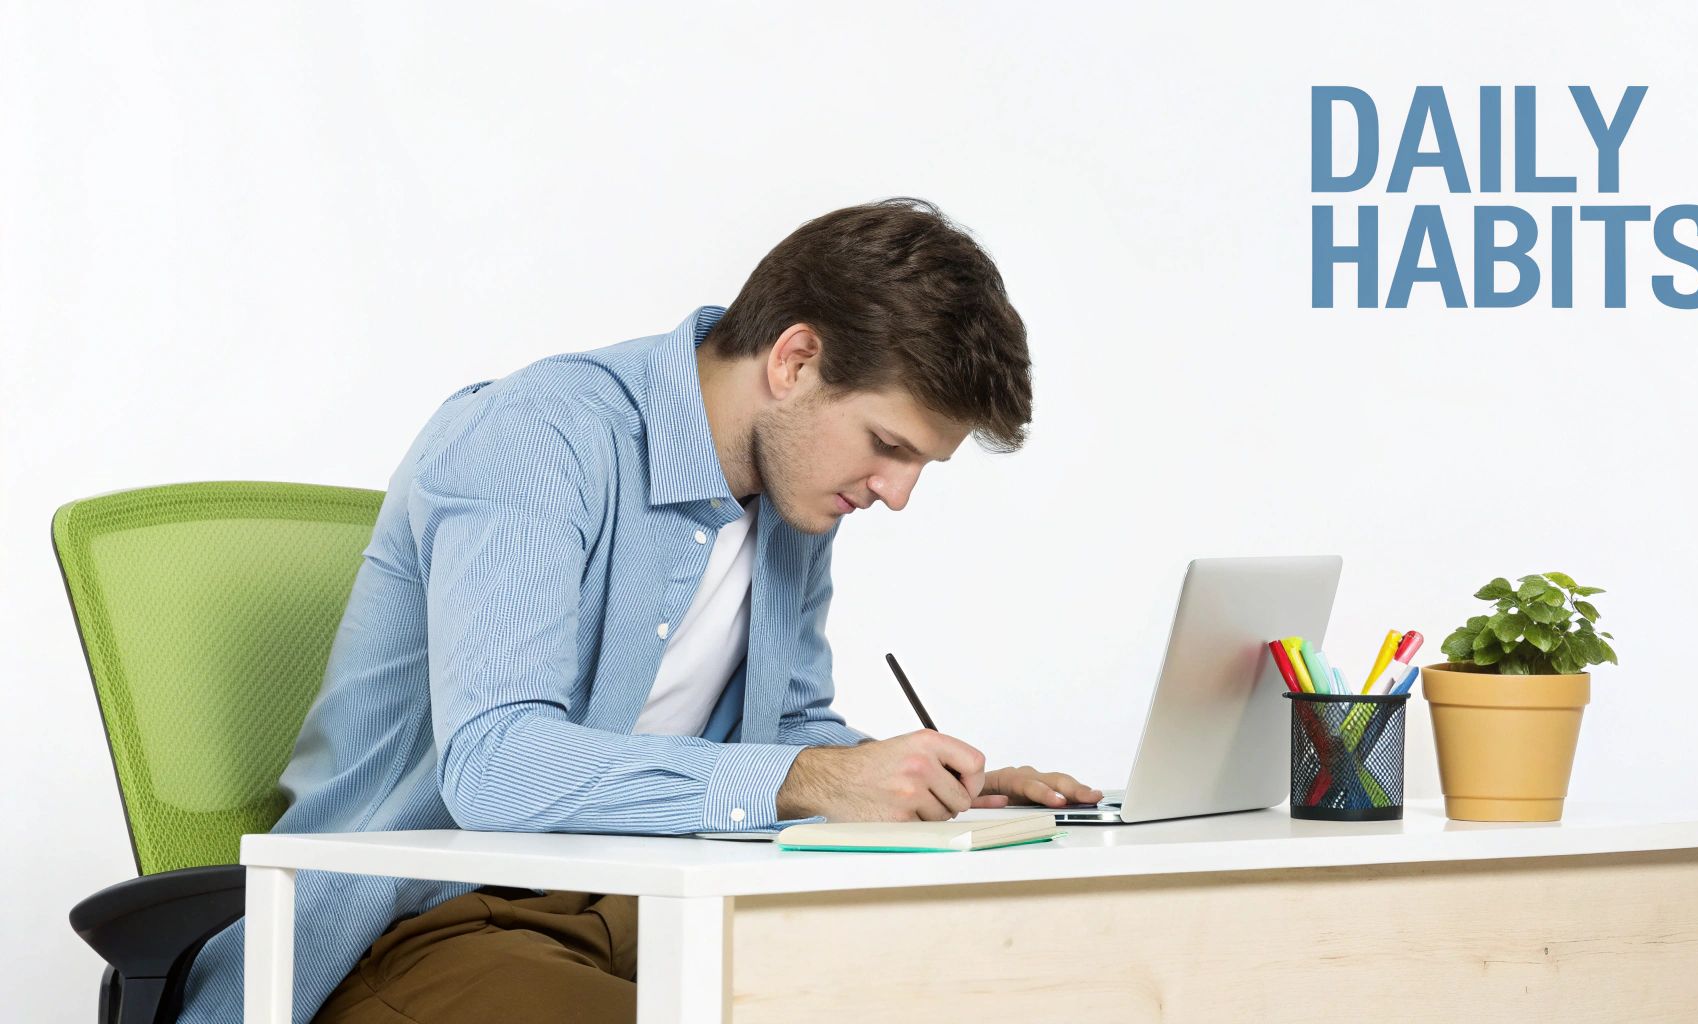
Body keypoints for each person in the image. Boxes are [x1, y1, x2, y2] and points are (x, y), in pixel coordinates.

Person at [174, 196, 1101, 1023]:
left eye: (918, 467)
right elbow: (495, 767)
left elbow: (788, 733)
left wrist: (922, 788)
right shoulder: (538, 439)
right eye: (887, 445)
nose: (895, 494)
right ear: (797, 359)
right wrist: (814, 779)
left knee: (966, 990)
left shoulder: (796, 506)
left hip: (647, 906)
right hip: (414, 926)